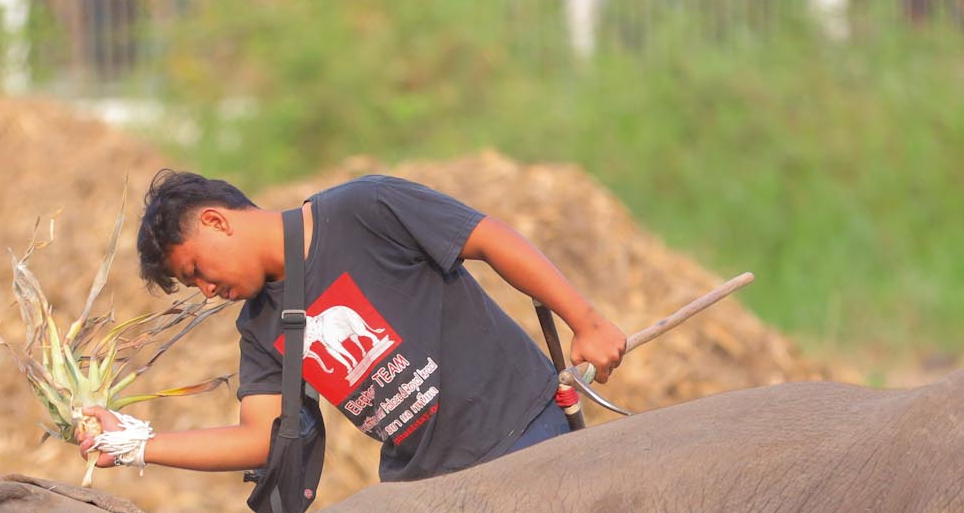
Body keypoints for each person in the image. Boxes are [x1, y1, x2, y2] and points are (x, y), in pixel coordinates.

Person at [79, 169, 626, 487]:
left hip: (524, 435)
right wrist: (135, 445)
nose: (205, 291)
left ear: (217, 222)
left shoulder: (363, 209)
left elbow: (487, 238)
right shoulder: (261, 326)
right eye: (192, 284)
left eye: (197, 270)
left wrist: (586, 321)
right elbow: (260, 439)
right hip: (426, 493)